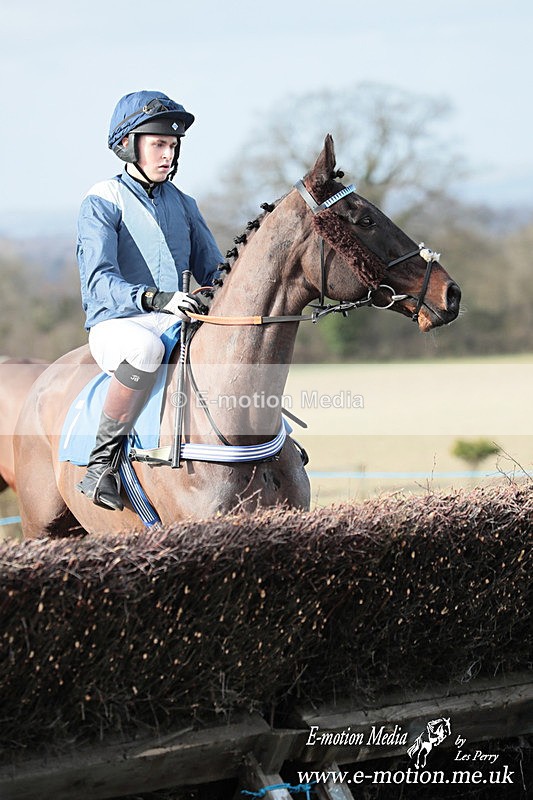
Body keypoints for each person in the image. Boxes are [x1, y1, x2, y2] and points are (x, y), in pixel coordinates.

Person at [76, 90, 223, 511]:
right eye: (158, 144)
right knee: (145, 349)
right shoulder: (103, 199)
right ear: (128, 144)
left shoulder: (184, 203)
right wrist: (155, 298)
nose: (167, 154)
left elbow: (214, 270)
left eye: (172, 145)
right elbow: (98, 281)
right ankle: (101, 465)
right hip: (119, 323)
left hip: (174, 314)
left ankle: (270, 444)